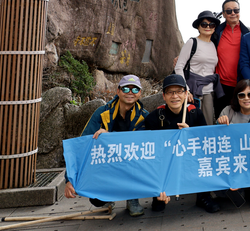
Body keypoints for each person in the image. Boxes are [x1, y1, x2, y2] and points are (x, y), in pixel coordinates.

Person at [64, 75, 149, 217]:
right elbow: (82, 144)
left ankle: (132, 197)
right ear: (118, 91)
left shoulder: (144, 116)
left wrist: (110, 137)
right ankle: (107, 197)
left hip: (132, 163)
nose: (130, 92)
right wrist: (69, 179)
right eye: (126, 88)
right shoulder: (101, 113)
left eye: (135, 89)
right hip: (107, 164)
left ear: (140, 93)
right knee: (97, 200)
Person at [145, 74, 220, 213]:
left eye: (179, 91)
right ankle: (159, 195)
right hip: (166, 162)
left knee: (204, 160)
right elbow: (145, 146)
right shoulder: (155, 117)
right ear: (164, 96)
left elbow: (205, 143)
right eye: (170, 92)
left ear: (186, 94)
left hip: (190, 159)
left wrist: (190, 134)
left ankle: (203, 195)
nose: (175, 96)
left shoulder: (194, 113)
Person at [217, 79, 250, 211]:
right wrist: (219, 123)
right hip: (233, 160)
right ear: (236, 97)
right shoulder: (227, 112)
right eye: (241, 95)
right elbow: (217, 142)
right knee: (224, 193)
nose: (246, 98)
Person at [175, 10, 222, 126]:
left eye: (211, 25)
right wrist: (185, 90)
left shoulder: (214, 45)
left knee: (208, 124)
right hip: (192, 90)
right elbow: (179, 67)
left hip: (209, 91)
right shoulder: (192, 42)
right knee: (190, 123)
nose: (208, 27)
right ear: (198, 27)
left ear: (215, 28)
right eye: (204, 24)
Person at [212, 0, 250, 118]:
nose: (233, 13)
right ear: (223, 14)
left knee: (240, 120)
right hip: (221, 86)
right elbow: (201, 45)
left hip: (241, 84)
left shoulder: (248, 33)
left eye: (236, 10)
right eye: (228, 11)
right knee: (221, 119)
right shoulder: (216, 32)